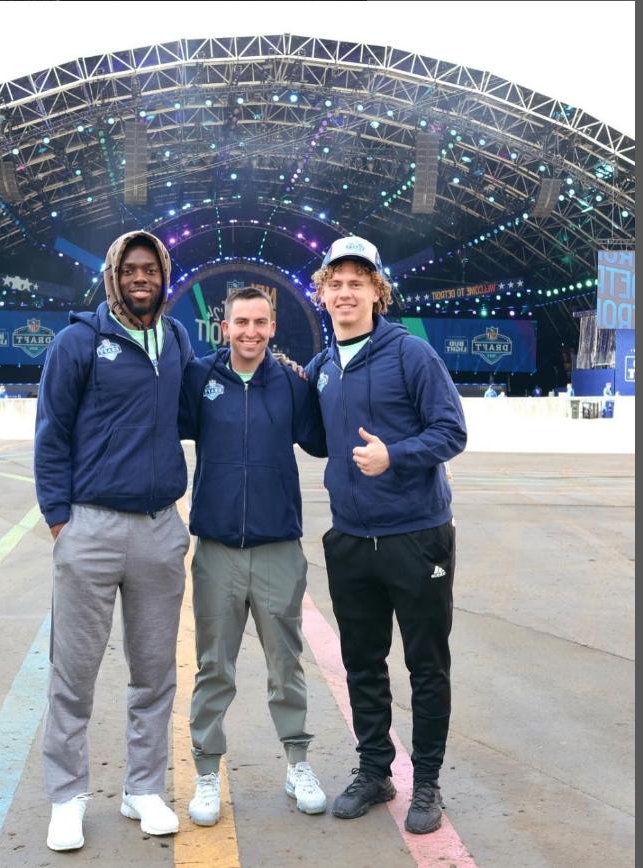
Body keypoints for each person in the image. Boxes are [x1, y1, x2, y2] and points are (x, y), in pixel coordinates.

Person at [34, 230, 193, 851]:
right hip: (91, 528)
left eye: (150, 268)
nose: (140, 277)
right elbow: (51, 434)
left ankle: (143, 789)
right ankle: (67, 797)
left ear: (164, 275)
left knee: (154, 673)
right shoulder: (78, 342)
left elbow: (205, 402)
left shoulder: (177, 340)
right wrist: (60, 521)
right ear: (111, 275)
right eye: (129, 268)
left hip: (159, 529)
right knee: (73, 675)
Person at [306, 236, 467, 834]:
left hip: (416, 536)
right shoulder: (323, 368)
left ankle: (426, 782)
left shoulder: (411, 355)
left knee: (426, 664)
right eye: (335, 282)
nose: (345, 292)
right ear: (321, 293)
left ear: (378, 290)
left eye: (358, 281)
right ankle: (375, 769)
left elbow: (451, 432)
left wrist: (393, 455)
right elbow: (319, 439)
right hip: (351, 539)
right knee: (362, 663)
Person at [179, 287, 328, 827]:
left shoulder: (291, 384)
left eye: (260, 322)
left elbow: (323, 436)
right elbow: (155, 423)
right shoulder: (199, 380)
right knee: (214, 667)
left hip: (278, 549)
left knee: (285, 665)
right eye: (240, 321)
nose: (250, 331)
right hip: (216, 550)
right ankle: (205, 773)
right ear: (223, 326)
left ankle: (297, 764)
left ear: (273, 326)